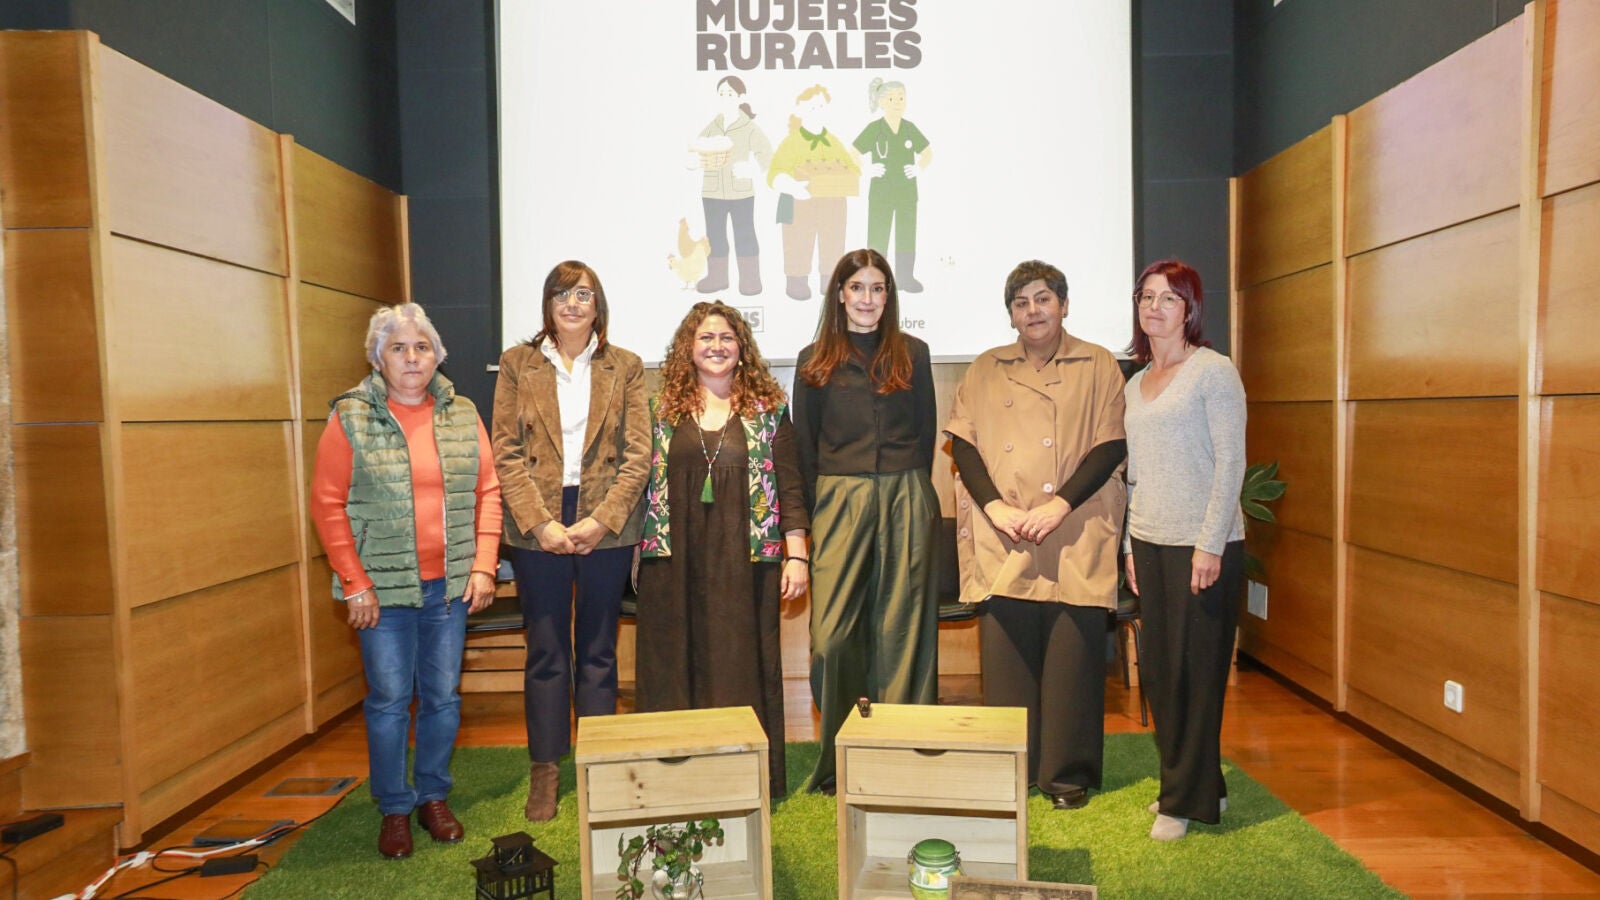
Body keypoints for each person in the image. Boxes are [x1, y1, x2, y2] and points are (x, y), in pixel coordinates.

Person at [309, 302, 501, 859]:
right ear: (378, 359)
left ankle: (433, 797)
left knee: (442, 698)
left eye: (422, 347)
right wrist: (354, 583)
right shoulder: (350, 416)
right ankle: (394, 806)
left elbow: (487, 491)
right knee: (391, 700)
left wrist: (484, 564)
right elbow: (327, 503)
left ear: (437, 356)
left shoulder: (462, 413)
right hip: (382, 592)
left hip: (450, 587)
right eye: (398, 348)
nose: (412, 357)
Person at [944, 260, 1127, 811]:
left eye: (1043, 299)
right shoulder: (985, 368)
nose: (1033, 311)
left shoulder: (1098, 363)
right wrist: (995, 507)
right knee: (1010, 659)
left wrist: (1059, 505)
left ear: (1064, 305)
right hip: (1006, 531)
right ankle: (1013, 767)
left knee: (1073, 658)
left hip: (1076, 523)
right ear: (1011, 315)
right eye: (1021, 303)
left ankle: (1066, 777)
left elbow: (1111, 444)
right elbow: (963, 444)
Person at [491, 261, 650, 823]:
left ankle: (598, 765)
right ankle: (546, 768)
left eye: (583, 294)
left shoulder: (626, 366)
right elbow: (506, 452)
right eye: (562, 294)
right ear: (548, 304)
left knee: (600, 649)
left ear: (597, 304)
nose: (572, 303)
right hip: (539, 522)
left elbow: (639, 455)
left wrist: (602, 520)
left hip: (605, 520)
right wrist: (540, 524)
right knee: (547, 649)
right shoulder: (518, 364)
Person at [634, 301, 810, 799]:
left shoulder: (769, 410)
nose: (717, 346)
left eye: (727, 338)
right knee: (672, 666)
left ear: (742, 349)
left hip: (745, 562)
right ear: (688, 348)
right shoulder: (658, 410)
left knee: (740, 665)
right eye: (706, 337)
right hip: (673, 560)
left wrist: (797, 554)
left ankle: (743, 777)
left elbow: (790, 486)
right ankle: (672, 777)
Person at [792, 249, 939, 792]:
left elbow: (926, 432)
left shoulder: (914, 354)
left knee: (902, 635)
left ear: (889, 296)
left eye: (878, 289)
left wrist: (907, 494)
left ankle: (901, 759)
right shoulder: (813, 361)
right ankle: (840, 760)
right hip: (838, 500)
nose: (868, 299)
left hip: (905, 495)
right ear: (840, 294)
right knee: (831, 637)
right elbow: (805, 450)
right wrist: (814, 521)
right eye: (858, 288)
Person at [1121, 259, 1246, 842]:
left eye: (1169, 298)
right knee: (1161, 673)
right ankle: (1198, 781)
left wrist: (1210, 543)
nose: (1155, 307)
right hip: (1150, 543)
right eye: (1147, 296)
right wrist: (1129, 545)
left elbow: (1231, 463)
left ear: (1189, 309)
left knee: (1196, 674)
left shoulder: (1213, 372)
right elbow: (1136, 474)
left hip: (1203, 547)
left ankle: (1183, 800)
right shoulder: (1135, 382)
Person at [767, 84, 861, 301]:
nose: (817, 112)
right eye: (811, 107)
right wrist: (791, 185)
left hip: (832, 203)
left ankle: (830, 279)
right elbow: (775, 172)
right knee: (798, 240)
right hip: (800, 202)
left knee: (833, 239)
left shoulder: (833, 141)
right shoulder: (792, 142)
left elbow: (851, 167)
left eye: (820, 107)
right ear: (800, 111)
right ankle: (796, 280)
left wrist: (847, 175)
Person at [692, 75, 772, 296]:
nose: (725, 98)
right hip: (712, 191)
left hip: (741, 192)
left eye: (730, 93)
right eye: (722, 94)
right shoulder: (714, 125)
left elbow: (766, 155)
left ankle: (750, 280)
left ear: (740, 97)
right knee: (715, 235)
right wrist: (695, 160)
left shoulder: (748, 127)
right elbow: (697, 147)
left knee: (745, 235)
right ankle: (717, 277)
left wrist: (752, 169)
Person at [852, 78, 932, 291]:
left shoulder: (909, 129)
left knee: (906, 234)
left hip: (907, 191)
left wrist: (918, 168)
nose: (897, 102)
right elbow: (853, 153)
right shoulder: (874, 129)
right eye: (891, 99)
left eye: (901, 98)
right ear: (881, 102)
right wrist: (867, 169)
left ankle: (905, 278)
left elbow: (927, 153)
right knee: (878, 236)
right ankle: (876, 280)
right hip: (881, 192)